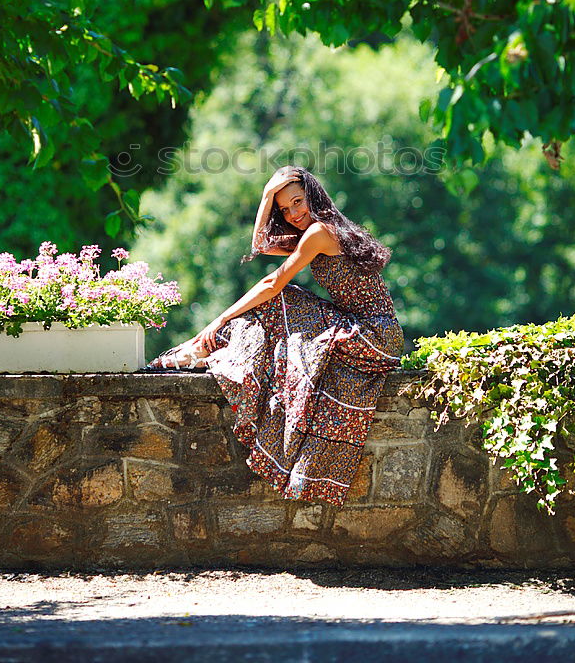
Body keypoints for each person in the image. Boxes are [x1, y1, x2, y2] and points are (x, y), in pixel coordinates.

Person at [144, 166, 404, 506]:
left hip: (374, 334)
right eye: (285, 209)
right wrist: (267, 196)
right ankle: (205, 350)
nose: (293, 214)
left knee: (283, 297)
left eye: (298, 202)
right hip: (364, 329)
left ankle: (204, 347)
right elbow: (261, 244)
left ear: (313, 196)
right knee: (284, 306)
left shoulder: (320, 233)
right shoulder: (310, 234)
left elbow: (272, 282)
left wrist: (218, 319)